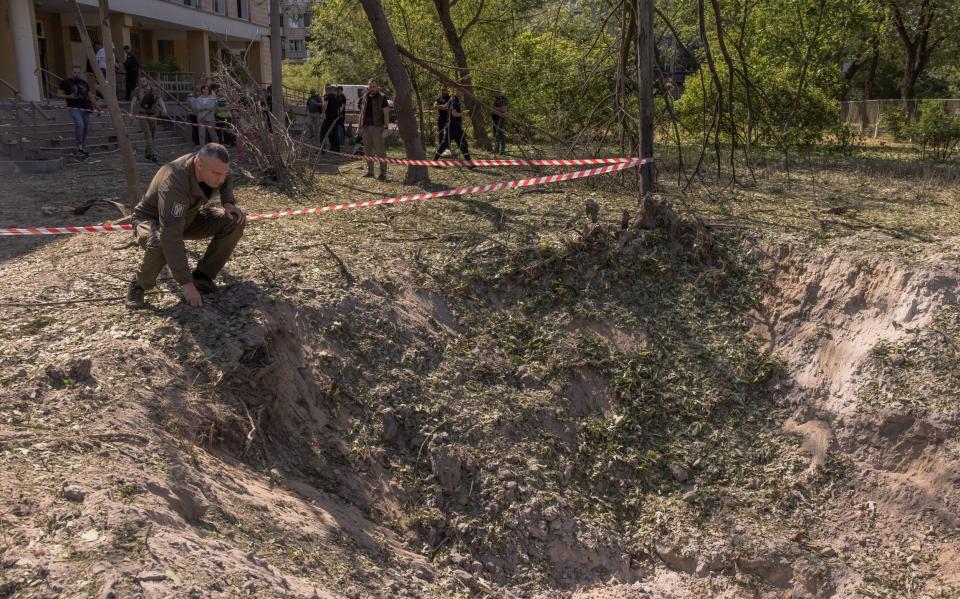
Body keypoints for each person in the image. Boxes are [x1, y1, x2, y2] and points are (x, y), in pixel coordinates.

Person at [126, 143, 246, 309]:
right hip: (152, 220)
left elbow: (227, 176)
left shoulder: (213, 166)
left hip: (189, 216)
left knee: (234, 220)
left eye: (223, 173)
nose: (221, 179)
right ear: (199, 164)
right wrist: (185, 283)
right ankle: (139, 284)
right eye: (217, 174)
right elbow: (170, 234)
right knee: (160, 243)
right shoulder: (175, 182)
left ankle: (202, 277)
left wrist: (228, 203)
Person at [57, 65, 96, 155]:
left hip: (85, 108)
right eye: (75, 72)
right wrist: (69, 96)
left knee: (85, 128)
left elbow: (90, 96)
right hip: (73, 108)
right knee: (80, 125)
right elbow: (58, 94)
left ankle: (83, 145)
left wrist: (98, 108)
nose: (76, 74)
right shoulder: (65, 82)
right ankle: (79, 145)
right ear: (71, 72)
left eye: (78, 72)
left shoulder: (84, 83)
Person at [358, 79, 390, 180]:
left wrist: (386, 128)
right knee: (367, 151)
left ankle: (383, 173)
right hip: (366, 128)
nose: (372, 88)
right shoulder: (365, 97)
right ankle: (370, 171)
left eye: (374, 86)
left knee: (380, 151)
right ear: (368, 87)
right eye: (370, 86)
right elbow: (362, 113)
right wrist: (359, 127)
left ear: (377, 87)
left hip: (378, 128)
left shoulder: (382, 97)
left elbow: (386, 113)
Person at [130, 76, 167, 162]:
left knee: (152, 135)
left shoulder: (154, 90)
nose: (142, 82)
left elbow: (160, 99)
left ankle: (148, 153)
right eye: (140, 80)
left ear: (148, 81)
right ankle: (151, 154)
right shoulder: (137, 90)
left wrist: (164, 108)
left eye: (143, 80)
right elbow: (134, 101)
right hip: (142, 115)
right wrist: (131, 112)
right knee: (148, 135)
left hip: (153, 115)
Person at [433, 87, 472, 163]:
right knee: (444, 144)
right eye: (460, 91)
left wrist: (438, 106)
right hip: (452, 127)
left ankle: (470, 162)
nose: (462, 93)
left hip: (457, 127)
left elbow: (445, 106)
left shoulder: (452, 99)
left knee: (462, 143)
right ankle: (434, 160)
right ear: (456, 91)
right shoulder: (454, 100)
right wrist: (463, 113)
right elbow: (454, 114)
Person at [318, 84, 342, 152]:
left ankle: (322, 148)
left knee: (323, 132)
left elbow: (325, 105)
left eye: (326, 90)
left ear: (329, 90)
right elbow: (339, 109)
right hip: (335, 118)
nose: (326, 91)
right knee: (334, 133)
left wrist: (323, 113)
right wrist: (338, 116)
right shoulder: (338, 98)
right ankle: (335, 148)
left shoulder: (327, 97)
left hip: (328, 118)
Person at [491, 89, 508, 154]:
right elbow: (491, 109)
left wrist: (494, 107)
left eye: (496, 92)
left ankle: (502, 150)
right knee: (495, 134)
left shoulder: (503, 99)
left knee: (501, 133)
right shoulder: (494, 99)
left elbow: (503, 109)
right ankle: (496, 150)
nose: (494, 93)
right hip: (494, 118)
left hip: (500, 118)